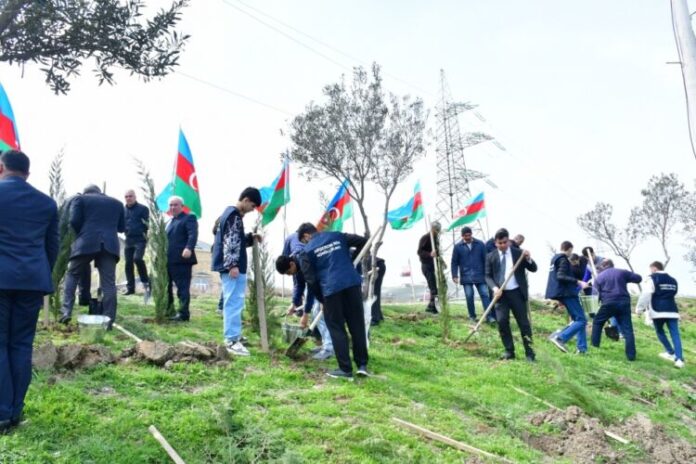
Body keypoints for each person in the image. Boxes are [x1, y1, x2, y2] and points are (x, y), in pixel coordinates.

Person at [0, 151, 59, 434]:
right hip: (32, 281)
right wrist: (40, 273)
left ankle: (2, 413)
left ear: (1, 168)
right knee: (21, 345)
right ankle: (15, 410)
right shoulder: (46, 203)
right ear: (28, 173)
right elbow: (52, 248)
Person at [297, 223, 368, 380]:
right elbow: (363, 241)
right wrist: (352, 261)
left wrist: (321, 299)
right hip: (351, 284)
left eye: (303, 241)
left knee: (336, 328)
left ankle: (345, 369)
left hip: (330, 290)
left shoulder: (305, 252)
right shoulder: (337, 236)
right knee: (357, 325)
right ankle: (362, 365)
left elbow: (311, 280)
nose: (304, 244)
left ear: (306, 236)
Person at [60, 185, 124, 328]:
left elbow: (74, 221)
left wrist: (81, 234)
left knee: (73, 274)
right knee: (109, 283)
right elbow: (121, 228)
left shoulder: (80, 199)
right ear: (100, 192)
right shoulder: (117, 203)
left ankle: (66, 312)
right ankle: (108, 321)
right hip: (110, 244)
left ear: (85, 192)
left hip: (86, 241)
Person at [211, 188, 261, 355]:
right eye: (252, 206)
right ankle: (231, 340)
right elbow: (230, 240)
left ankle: (235, 335)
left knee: (236, 301)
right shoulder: (234, 215)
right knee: (232, 301)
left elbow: (236, 239)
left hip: (231, 264)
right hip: (232, 266)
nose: (252, 209)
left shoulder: (229, 214)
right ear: (246, 200)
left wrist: (250, 238)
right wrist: (232, 264)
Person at [484, 228, 538, 361]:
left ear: (508, 241)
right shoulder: (490, 256)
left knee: (524, 324)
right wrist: (494, 288)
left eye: (504, 242)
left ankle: (530, 353)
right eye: (499, 243)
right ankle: (509, 351)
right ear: (495, 243)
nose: (502, 245)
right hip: (500, 296)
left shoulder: (518, 253)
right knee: (502, 322)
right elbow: (487, 276)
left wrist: (529, 258)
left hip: (516, 293)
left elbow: (533, 268)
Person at [276, 254, 334, 361]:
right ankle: (326, 344)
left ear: (291, 264)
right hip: (317, 284)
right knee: (317, 313)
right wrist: (293, 304)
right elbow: (300, 285)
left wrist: (305, 314)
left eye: (288, 272)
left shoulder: (304, 263)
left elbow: (311, 289)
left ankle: (329, 348)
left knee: (320, 314)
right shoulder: (296, 264)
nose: (289, 275)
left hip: (326, 280)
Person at [636, 261, 685, 369]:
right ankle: (679, 359)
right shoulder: (673, 280)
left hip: (658, 310)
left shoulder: (652, 278)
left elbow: (646, 294)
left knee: (659, 331)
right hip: (672, 310)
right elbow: (673, 293)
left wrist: (639, 309)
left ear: (654, 268)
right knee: (675, 334)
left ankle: (670, 351)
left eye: (651, 269)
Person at [590, 260, 641, 361]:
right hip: (624, 303)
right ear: (613, 265)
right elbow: (638, 278)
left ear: (603, 267)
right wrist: (628, 275)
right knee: (628, 329)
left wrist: (593, 311)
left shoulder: (599, 277)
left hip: (608, 303)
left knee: (597, 322)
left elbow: (595, 295)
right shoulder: (622, 272)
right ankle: (631, 356)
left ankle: (594, 348)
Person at [545, 241, 589, 354]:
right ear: (569, 249)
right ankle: (560, 337)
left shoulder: (555, 259)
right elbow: (561, 276)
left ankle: (582, 349)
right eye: (571, 250)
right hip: (567, 293)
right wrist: (578, 282)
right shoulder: (563, 259)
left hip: (561, 293)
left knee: (578, 320)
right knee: (582, 320)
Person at [166, 196, 198, 322]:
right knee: (166, 287)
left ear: (182, 206)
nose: (173, 207)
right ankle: (169, 310)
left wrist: (189, 248)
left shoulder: (189, 218)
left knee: (182, 288)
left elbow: (193, 234)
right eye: (171, 205)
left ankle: (183, 314)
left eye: (175, 205)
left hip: (182, 260)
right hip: (169, 260)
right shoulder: (170, 221)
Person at [451, 226, 492, 322]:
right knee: (469, 295)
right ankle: (472, 316)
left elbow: (486, 259)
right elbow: (454, 262)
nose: (468, 237)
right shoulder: (458, 247)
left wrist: (487, 273)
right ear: (462, 236)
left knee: (485, 294)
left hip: (480, 275)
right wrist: (454, 275)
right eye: (465, 236)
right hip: (466, 276)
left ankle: (489, 316)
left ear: (471, 234)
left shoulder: (480, 244)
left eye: (469, 235)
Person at [61, 192, 91, 306]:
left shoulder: (67, 201)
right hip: (76, 238)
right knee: (81, 268)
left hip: (64, 237)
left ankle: (50, 298)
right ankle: (83, 297)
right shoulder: (80, 201)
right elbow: (75, 221)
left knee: (63, 269)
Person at [123, 189, 150, 297]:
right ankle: (130, 289)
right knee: (128, 264)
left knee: (137, 259)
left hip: (140, 239)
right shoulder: (123, 210)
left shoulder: (143, 209)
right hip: (128, 240)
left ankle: (146, 282)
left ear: (135, 197)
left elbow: (147, 224)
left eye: (130, 196)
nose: (128, 198)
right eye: (126, 196)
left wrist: (143, 232)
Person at [417, 221, 441, 314]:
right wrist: (429, 254)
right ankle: (433, 307)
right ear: (432, 229)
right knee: (433, 287)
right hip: (426, 265)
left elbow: (437, 252)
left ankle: (431, 306)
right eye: (436, 230)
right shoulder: (426, 237)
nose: (438, 232)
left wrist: (440, 260)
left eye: (439, 230)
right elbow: (419, 251)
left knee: (434, 286)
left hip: (433, 265)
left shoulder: (436, 239)